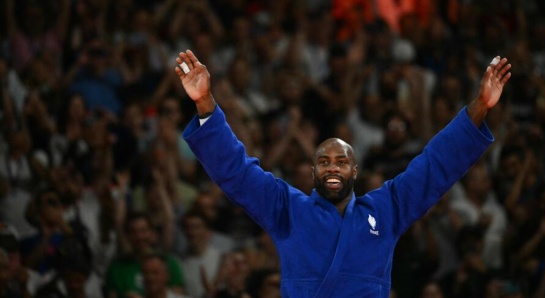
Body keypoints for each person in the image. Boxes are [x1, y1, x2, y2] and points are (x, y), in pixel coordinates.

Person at [175, 49, 511, 297]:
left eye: (341, 160)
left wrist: (480, 106)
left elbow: (435, 167)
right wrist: (205, 102)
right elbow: (236, 172)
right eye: (324, 161)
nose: (332, 166)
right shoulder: (287, 209)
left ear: (355, 169)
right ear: (313, 172)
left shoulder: (385, 209)